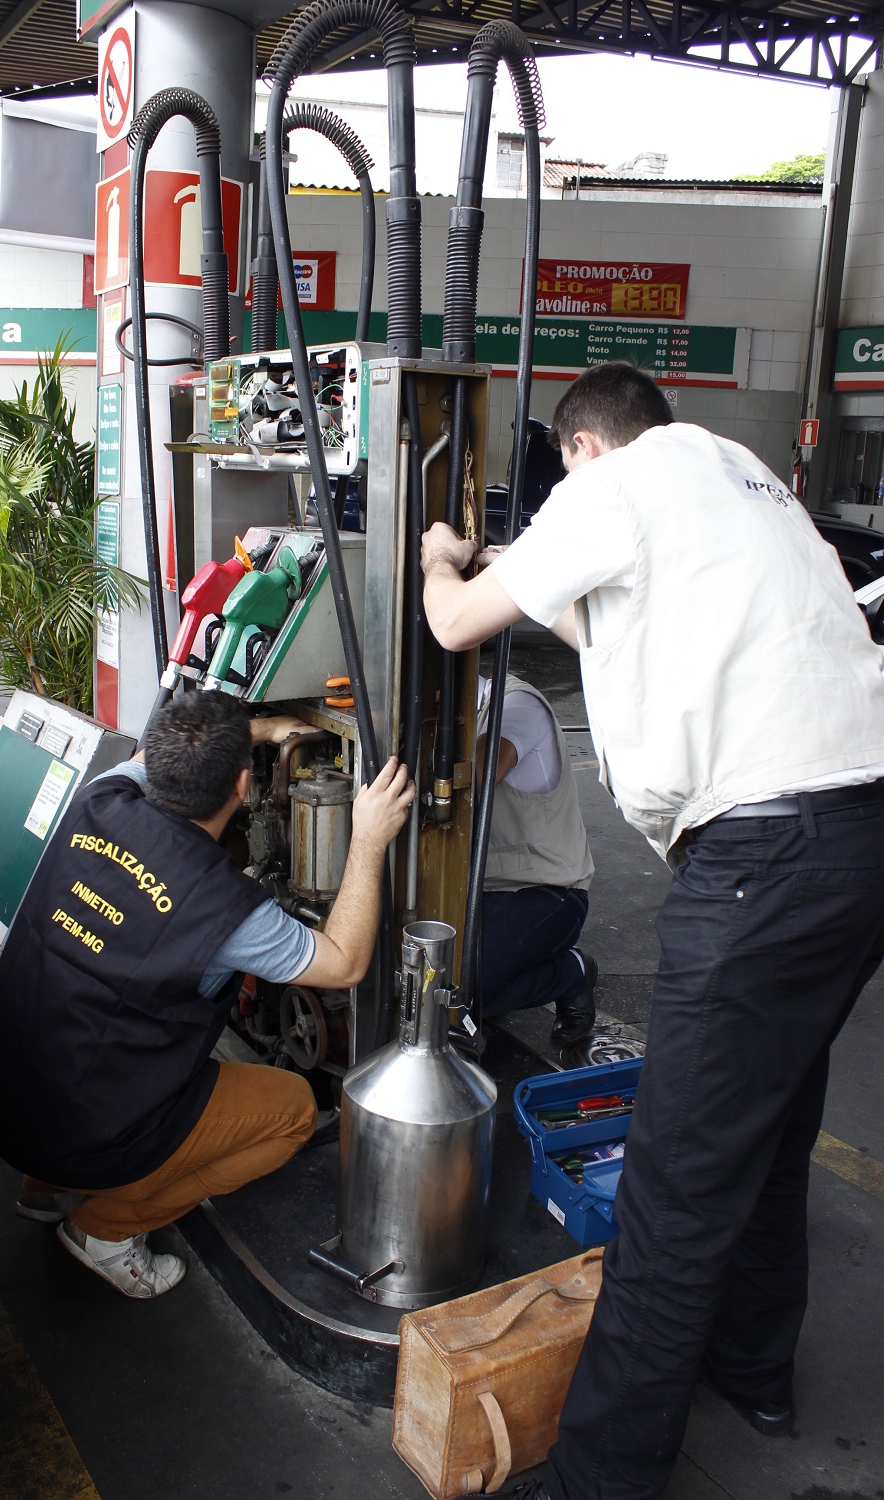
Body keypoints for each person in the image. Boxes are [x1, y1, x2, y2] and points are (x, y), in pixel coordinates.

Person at [420, 361, 884, 1500]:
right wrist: (522, 572)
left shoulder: (607, 485)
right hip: (858, 834)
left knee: (673, 1187)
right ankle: (753, 1373)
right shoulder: (738, 477)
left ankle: (600, 1479)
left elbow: (453, 626)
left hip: (762, 863)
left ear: (582, 448)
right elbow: (619, 627)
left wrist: (444, 560)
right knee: (769, 1128)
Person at [0, 691, 414, 1300]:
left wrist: (257, 731)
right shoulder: (222, 907)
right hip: (82, 1126)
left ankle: (40, 1190)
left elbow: (154, 754)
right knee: (292, 1111)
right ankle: (105, 1229)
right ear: (241, 784)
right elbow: (346, 963)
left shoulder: (102, 797)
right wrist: (368, 838)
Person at [477, 673, 596, 1045]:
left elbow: (479, 772)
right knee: (427, 973)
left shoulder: (517, 705)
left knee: (463, 988)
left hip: (547, 891)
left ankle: (572, 972)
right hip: (482, 889)